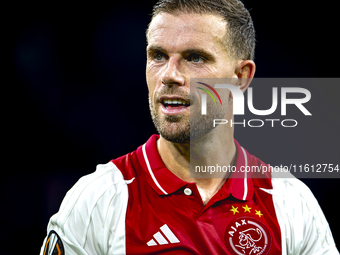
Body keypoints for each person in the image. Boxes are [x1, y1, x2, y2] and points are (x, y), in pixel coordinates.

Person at [40, 0, 338, 254]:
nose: (169, 75)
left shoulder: (291, 203)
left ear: (241, 77)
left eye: (195, 58)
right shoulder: (98, 200)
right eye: (157, 56)